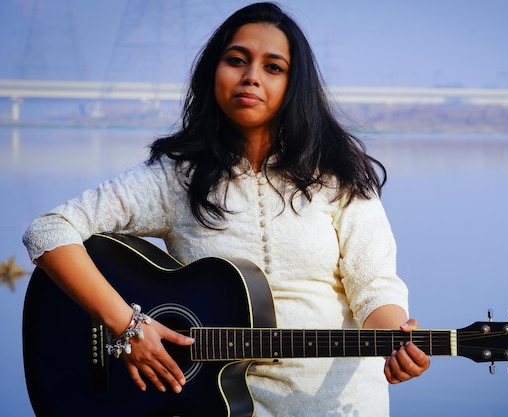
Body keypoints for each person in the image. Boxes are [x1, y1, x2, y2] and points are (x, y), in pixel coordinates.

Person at [23, 2, 430, 416]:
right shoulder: (176, 177)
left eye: (274, 67)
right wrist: (127, 325)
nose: (251, 76)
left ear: (295, 85)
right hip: (210, 405)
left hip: (338, 406)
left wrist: (394, 341)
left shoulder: (339, 174)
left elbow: (375, 286)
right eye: (236, 60)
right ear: (212, 72)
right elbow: (49, 230)